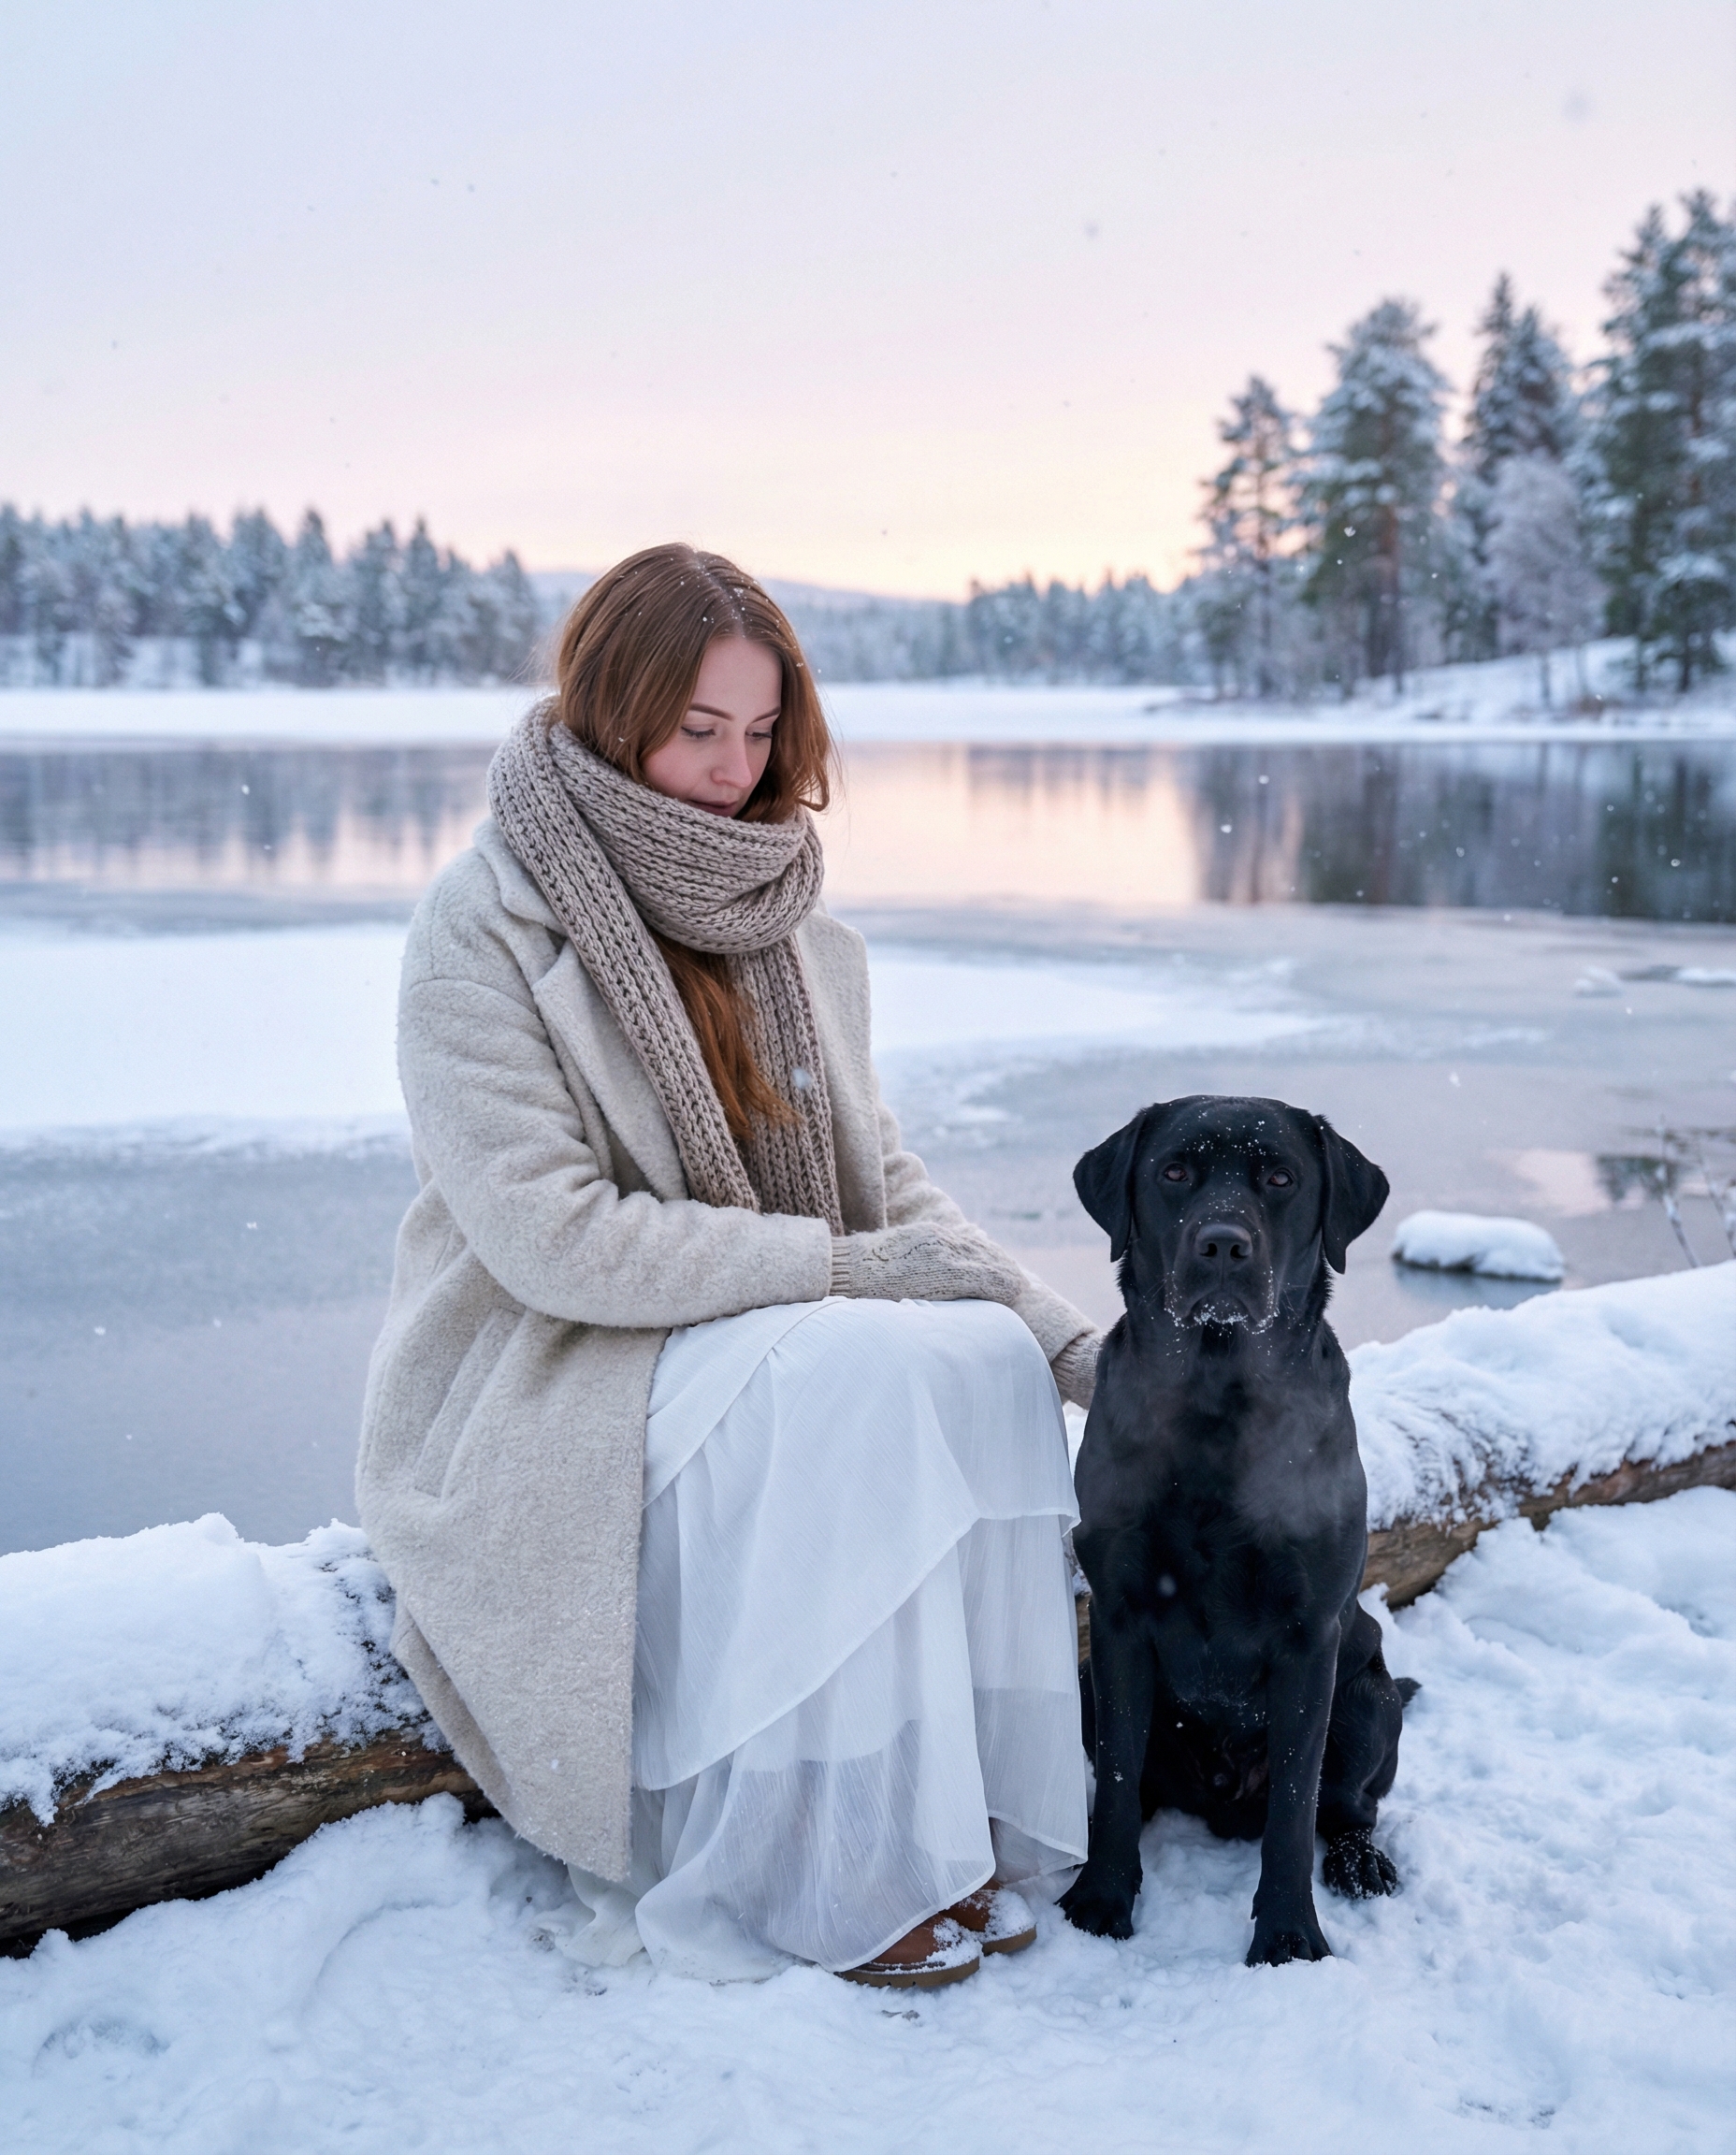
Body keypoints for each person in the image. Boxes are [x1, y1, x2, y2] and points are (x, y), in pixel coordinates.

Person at [356, 543, 1101, 1988]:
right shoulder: (484, 924)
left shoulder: (801, 930)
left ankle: (947, 1820)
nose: (731, 768)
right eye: (698, 728)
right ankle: (816, 1871)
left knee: (974, 1357)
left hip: (743, 1322)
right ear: (611, 703)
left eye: (760, 734)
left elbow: (893, 1197)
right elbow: (551, 1238)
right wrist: (836, 1271)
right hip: (553, 1362)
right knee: (847, 1374)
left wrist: (1075, 1350)